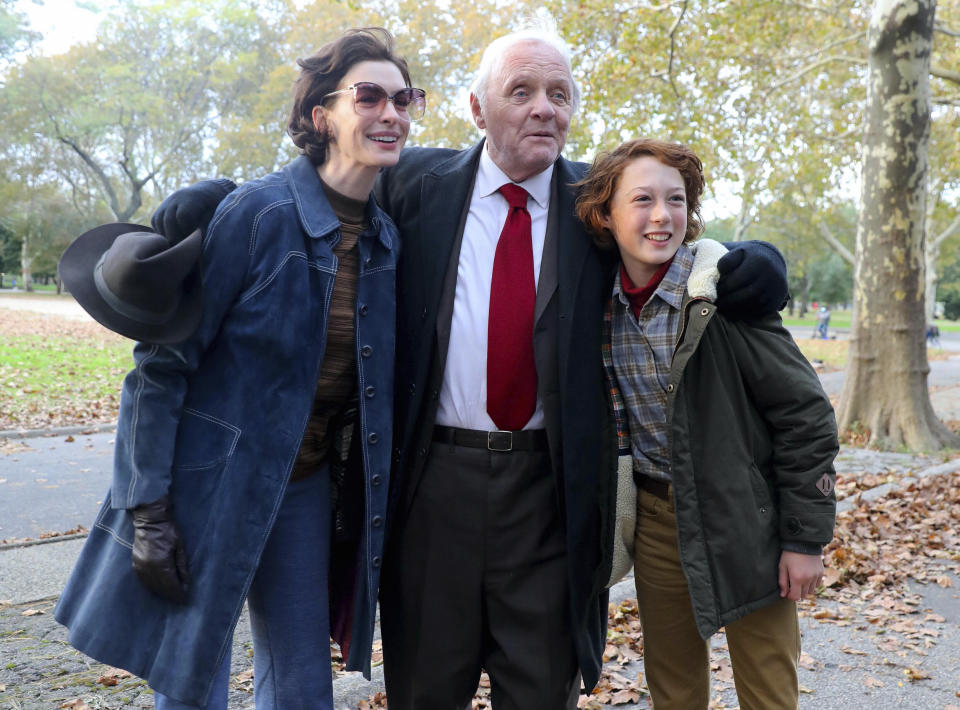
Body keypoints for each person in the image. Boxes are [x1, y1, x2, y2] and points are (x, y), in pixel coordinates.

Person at [151, 21, 789, 709]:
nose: (545, 107)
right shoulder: (415, 187)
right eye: (522, 91)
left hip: (551, 497)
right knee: (425, 690)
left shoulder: (594, 207)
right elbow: (321, 182)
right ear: (478, 110)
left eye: (560, 94)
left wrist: (756, 259)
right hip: (431, 492)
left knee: (542, 693)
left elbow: (668, 231)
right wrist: (215, 197)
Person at [54, 27, 423, 709]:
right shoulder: (257, 215)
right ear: (322, 117)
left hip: (305, 485)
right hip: (205, 486)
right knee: (192, 680)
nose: (392, 113)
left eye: (405, 99)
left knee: (303, 685)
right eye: (369, 96)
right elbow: (162, 366)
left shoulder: (386, 239)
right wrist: (149, 509)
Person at [575, 138, 838, 709]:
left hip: (747, 519)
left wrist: (804, 537)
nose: (662, 215)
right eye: (641, 199)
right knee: (673, 688)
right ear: (606, 214)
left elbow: (807, 415)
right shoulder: (594, 304)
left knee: (768, 688)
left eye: (676, 200)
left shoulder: (723, 297)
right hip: (655, 521)